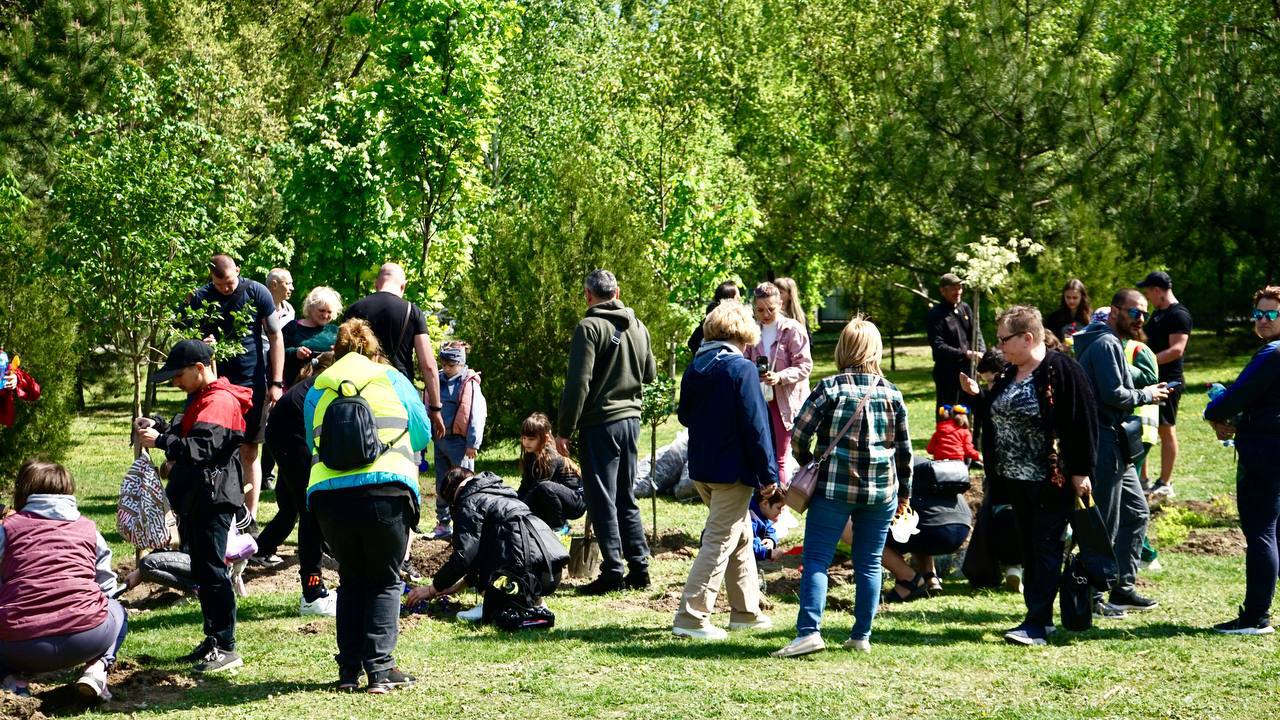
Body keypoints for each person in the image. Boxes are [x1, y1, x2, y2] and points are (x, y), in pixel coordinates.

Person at [773, 317, 912, 658]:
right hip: (881, 491)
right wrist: (905, 494)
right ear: (875, 350)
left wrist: (810, 460)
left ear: (843, 349)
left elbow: (800, 433)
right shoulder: (892, 392)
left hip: (833, 488)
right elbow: (905, 451)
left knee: (817, 560)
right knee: (870, 563)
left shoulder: (830, 388)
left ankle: (809, 632)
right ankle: (861, 635)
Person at [959, 306, 1098, 646]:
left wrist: (1081, 471)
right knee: (1030, 548)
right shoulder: (1010, 372)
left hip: (1051, 480)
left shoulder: (1062, 371)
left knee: (1044, 546)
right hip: (1012, 480)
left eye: (1005, 339)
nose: (1000, 345)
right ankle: (1039, 619)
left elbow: (1084, 424)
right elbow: (997, 413)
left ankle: (1036, 622)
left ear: (1027, 337)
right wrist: (978, 398)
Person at [304, 320, 430, 693]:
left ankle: (348, 672)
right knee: (385, 580)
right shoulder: (391, 378)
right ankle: (380, 670)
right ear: (373, 349)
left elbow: (310, 438)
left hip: (329, 497)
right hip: (386, 491)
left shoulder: (317, 388)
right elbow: (421, 431)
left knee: (351, 579)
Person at [135, 339, 253, 673]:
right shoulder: (203, 397)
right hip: (202, 496)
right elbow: (189, 428)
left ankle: (227, 647)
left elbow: (201, 448)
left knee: (214, 572)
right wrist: (161, 426)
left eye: (178, 376)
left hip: (214, 497)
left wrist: (160, 441)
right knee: (204, 571)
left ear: (200, 369)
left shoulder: (218, 401)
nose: (174, 382)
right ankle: (213, 640)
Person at [673, 300, 778, 641]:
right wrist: (769, 477)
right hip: (732, 472)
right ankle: (691, 616)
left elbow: (685, 416)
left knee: (741, 535)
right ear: (742, 331)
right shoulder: (742, 369)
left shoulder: (696, 366)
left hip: (702, 468)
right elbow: (756, 426)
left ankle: (746, 612)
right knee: (719, 541)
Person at [555, 269, 657, 595]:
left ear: (588, 295)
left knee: (602, 499)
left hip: (601, 423)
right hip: (632, 421)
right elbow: (650, 373)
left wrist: (564, 429)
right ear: (617, 291)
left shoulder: (589, 327)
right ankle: (639, 567)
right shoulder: (638, 325)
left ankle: (612, 571)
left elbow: (578, 384)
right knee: (626, 496)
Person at [1073, 290, 1169, 614]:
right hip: (1103, 442)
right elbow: (1114, 394)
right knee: (1106, 521)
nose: (1140, 318)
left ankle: (1122, 587)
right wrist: (1147, 394)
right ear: (1115, 311)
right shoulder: (1105, 343)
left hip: (1116, 441)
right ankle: (1094, 596)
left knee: (1136, 512)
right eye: (1134, 312)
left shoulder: (1107, 341)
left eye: (1144, 314)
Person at [0, 460, 126, 701]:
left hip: (20, 647)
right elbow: (107, 586)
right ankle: (97, 669)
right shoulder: (89, 528)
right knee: (117, 609)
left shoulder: (8, 529)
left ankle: (12, 681)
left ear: (23, 491)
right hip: (87, 638)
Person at [185, 255, 286, 519]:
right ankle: (214, 509)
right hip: (214, 384)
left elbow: (276, 336)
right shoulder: (201, 298)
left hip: (251, 382)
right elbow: (188, 341)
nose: (226, 289)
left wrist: (276, 382)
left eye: (229, 283)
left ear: (238, 271)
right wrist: (201, 342)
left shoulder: (256, 292)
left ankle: (249, 516)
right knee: (211, 448)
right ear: (211, 279)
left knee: (249, 449)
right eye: (220, 285)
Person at [1203, 286, 1280, 635]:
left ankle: (1255, 617)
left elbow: (1227, 402)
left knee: (1261, 531)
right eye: (1258, 314)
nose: (1262, 321)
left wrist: (1217, 413)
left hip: (1264, 453)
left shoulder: (1272, 354)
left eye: (1271, 314)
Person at [406, 469, 566, 630]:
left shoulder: (469, 502)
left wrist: (433, 588)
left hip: (522, 574)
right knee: (497, 539)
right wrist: (459, 585)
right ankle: (530, 602)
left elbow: (465, 556)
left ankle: (494, 604)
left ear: (452, 494)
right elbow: (483, 549)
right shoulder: (502, 494)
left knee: (494, 546)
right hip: (550, 572)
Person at [255, 351, 338, 616]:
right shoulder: (328, 384)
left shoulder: (316, 384)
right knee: (310, 510)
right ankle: (312, 593)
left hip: (283, 437)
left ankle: (262, 547)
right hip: (288, 438)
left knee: (293, 506)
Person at [343, 262, 446, 439]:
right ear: (403, 286)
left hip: (361, 390)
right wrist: (435, 408)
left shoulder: (354, 309)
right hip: (400, 390)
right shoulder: (412, 311)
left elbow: (342, 354)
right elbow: (428, 365)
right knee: (405, 447)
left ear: (376, 284)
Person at [743, 282, 813, 487]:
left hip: (783, 404)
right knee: (761, 456)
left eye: (771, 309)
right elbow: (744, 362)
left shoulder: (793, 330)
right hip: (759, 400)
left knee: (780, 458)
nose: (765, 314)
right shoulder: (751, 331)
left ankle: (779, 512)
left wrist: (780, 377)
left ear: (781, 303)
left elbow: (805, 366)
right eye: (760, 310)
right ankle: (765, 509)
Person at [881, 460, 972, 601]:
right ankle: (930, 578)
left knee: (857, 529)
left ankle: (908, 580)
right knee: (918, 518)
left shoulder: (888, 463)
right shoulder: (925, 465)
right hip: (961, 527)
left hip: (930, 530)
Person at [1138, 271, 1192, 499]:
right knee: (1142, 428)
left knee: (1165, 428)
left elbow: (1176, 350)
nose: (1147, 296)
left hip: (1169, 380)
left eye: (1148, 291)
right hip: (1150, 381)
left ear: (1158, 290)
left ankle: (1165, 482)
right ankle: (1142, 480)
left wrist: (1145, 360)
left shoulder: (1178, 315)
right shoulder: (1158, 314)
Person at [430, 341, 487, 540]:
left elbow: (476, 415)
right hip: (440, 440)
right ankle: (443, 523)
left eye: (451, 365)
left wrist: (473, 443)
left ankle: (466, 523)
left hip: (460, 444)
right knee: (442, 483)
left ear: (461, 363)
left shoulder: (469, 383)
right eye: (444, 364)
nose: (446, 369)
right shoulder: (437, 380)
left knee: (464, 483)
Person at [518, 412, 586, 531]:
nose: (526, 442)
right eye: (524, 438)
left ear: (545, 438)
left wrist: (519, 509)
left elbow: (537, 490)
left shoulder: (551, 456)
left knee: (544, 488)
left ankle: (560, 526)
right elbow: (525, 486)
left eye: (531, 439)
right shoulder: (531, 456)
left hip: (575, 503)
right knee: (536, 492)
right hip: (554, 498)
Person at [927, 273, 985, 410]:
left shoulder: (965, 308)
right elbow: (938, 346)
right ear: (942, 290)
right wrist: (966, 354)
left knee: (968, 411)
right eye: (953, 288)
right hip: (947, 372)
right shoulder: (935, 314)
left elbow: (977, 334)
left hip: (968, 370)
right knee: (947, 413)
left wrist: (982, 358)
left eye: (959, 288)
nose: (958, 292)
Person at [282, 286, 341, 386]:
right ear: (310, 307)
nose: (325, 315)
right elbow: (274, 353)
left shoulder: (335, 330)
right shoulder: (292, 327)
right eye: (321, 310)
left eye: (329, 312)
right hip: (296, 385)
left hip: (328, 386)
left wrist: (338, 352)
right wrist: (295, 353)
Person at [686, 281, 741, 354]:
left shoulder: (710, 319)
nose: (739, 299)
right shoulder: (720, 322)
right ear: (730, 298)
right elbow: (693, 342)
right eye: (737, 298)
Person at [1045, 278, 1092, 344]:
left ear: (1082, 297)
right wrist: (1060, 347)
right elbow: (1048, 340)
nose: (1071, 301)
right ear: (1063, 297)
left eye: (1075, 298)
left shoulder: (1090, 317)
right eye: (1068, 297)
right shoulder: (1055, 318)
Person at [750, 485, 786, 562]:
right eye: (778, 508)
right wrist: (768, 553)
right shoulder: (751, 518)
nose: (780, 512)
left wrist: (771, 539)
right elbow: (748, 546)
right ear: (765, 503)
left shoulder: (762, 513)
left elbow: (770, 529)